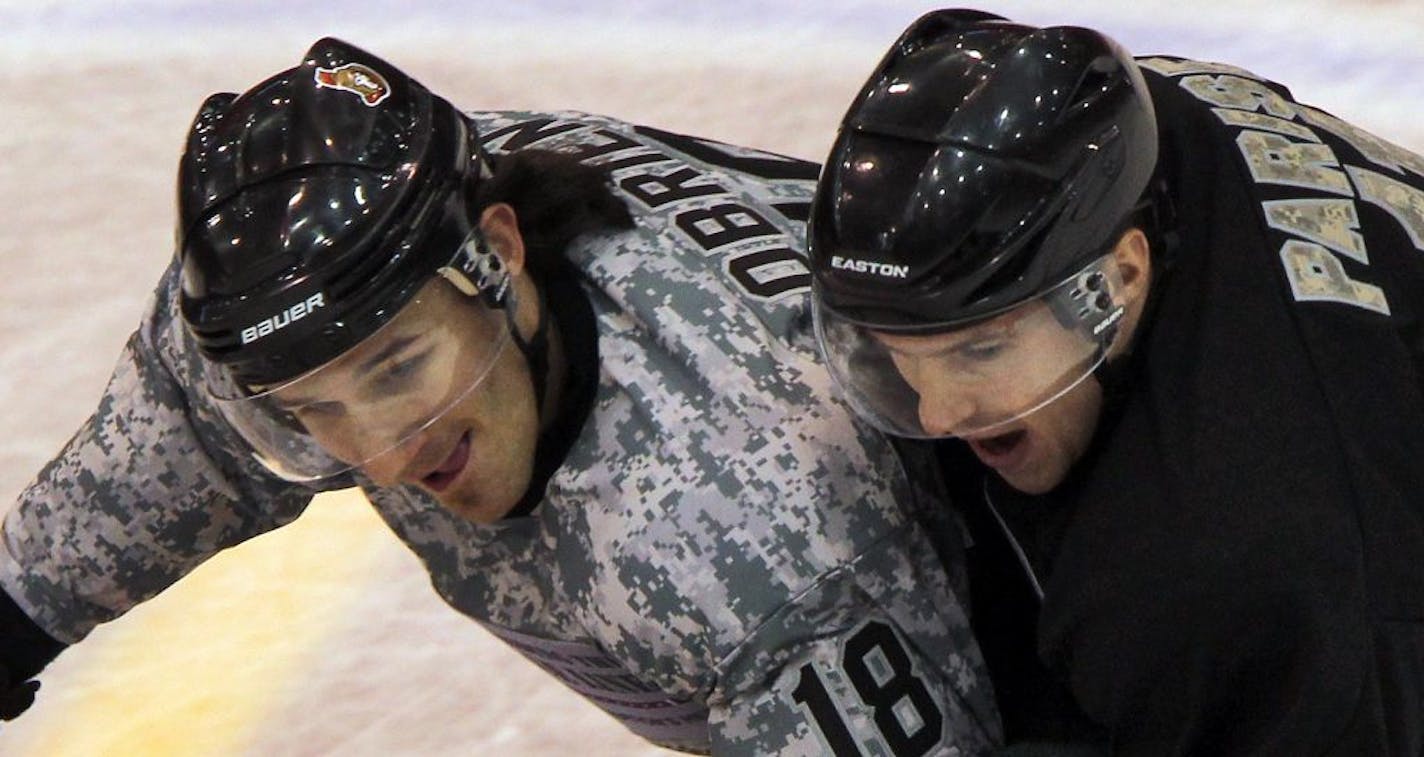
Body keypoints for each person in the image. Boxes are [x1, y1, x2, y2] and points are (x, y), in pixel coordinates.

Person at [0, 37, 1003, 755]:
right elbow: (187, 435)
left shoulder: (752, 525)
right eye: (315, 413)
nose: (387, 456)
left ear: (501, 257)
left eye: (399, 370)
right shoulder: (323, 285)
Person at [808, 8, 1424, 755]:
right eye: (897, 350)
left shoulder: (1234, 566)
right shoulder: (1128, 127)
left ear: (1121, 277)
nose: (937, 413)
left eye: (979, 352)